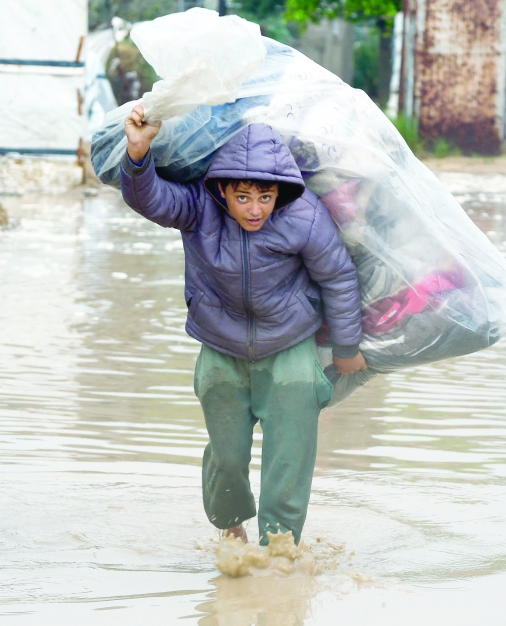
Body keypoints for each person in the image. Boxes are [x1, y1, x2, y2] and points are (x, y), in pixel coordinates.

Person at [121, 104, 367, 545]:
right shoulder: (199, 208)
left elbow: (338, 276)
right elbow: (150, 199)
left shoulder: (304, 216)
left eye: (265, 197)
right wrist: (138, 153)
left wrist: (347, 348)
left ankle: (279, 550)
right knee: (227, 458)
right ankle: (230, 530)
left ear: (282, 192)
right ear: (222, 191)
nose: (255, 210)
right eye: (243, 197)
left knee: (289, 458)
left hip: (289, 348)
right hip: (220, 348)